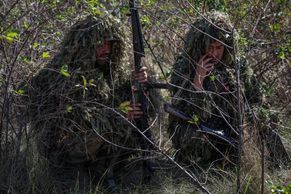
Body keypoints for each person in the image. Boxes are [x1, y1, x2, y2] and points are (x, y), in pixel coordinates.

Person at [27, 15, 152, 193]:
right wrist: (121, 115)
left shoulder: (106, 68)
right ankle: (78, 172)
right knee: (94, 134)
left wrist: (136, 81)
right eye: (100, 43)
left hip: (94, 142)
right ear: (85, 44)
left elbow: (118, 99)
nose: (106, 49)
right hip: (64, 150)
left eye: (110, 43)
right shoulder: (63, 74)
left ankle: (103, 168)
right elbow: (79, 122)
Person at [168, 12, 262, 167]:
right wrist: (198, 80)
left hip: (231, 131)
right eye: (210, 47)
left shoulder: (237, 67)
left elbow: (256, 100)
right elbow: (188, 115)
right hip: (201, 131)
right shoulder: (184, 68)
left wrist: (250, 122)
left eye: (219, 47)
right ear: (200, 45)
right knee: (195, 139)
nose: (214, 53)